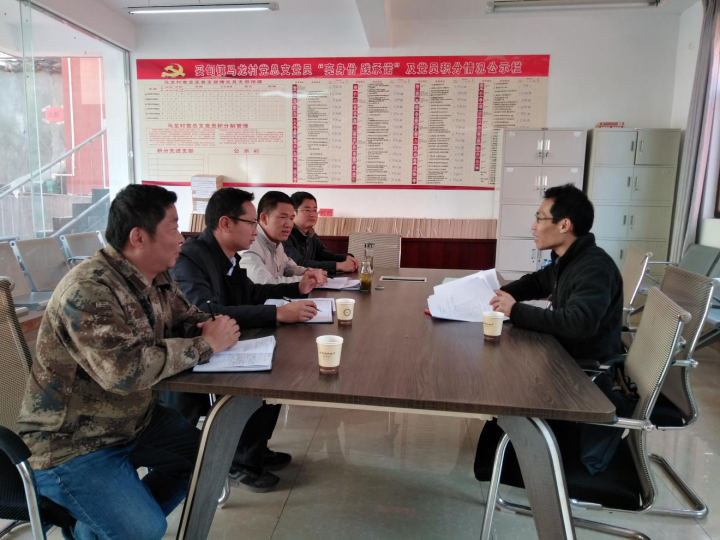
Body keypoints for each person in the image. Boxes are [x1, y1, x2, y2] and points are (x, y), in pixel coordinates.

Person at [16, 185, 240, 540]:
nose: (182, 238)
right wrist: (206, 344)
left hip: (135, 421)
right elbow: (124, 372)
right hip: (73, 443)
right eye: (173, 227)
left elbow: (188, 318)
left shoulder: (157, 276)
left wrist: (212, 328)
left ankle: (93, 530)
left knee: (211, 457)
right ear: (139, 237)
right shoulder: (89, 290)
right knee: (145, 529)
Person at [167, 187, 322, 492]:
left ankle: (255, 449)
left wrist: (295, 290)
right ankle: (239, 459)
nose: (255, 230)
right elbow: (205, 312)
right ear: (225, 223)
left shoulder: (226, 257)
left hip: (223, 345)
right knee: (264, 377)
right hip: (191, 363)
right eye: (251, 223)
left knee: (278, 366)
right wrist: (277, 314)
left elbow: (251, 293)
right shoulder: (192, 259)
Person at [489, 183, 624, 362]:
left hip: (580, 368)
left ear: (564, 225)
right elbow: (537, 282)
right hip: (559, 352)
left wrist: (514, 310)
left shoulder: (595, 268)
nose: (533, 226)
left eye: (539, 219)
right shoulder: (568, 258)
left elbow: (578, 323)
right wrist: (499, 293)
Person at [240, 190, 327, 286]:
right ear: (264, 218)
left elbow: (289, 268)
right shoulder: (249, 245)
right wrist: (308, 279)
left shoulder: (276, 242)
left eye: (291, 218)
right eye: (283, 217)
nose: (289, 224)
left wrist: (310, 272)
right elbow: (266, 284)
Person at [284, 191, 359, 273]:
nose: (312, 214)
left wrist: (345, 257)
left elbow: (324, 255)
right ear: (293, 212)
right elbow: (299, 264)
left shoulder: (310, 233)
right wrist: (339, 266)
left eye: (314, 210)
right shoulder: (285, 235)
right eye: (307, 210)